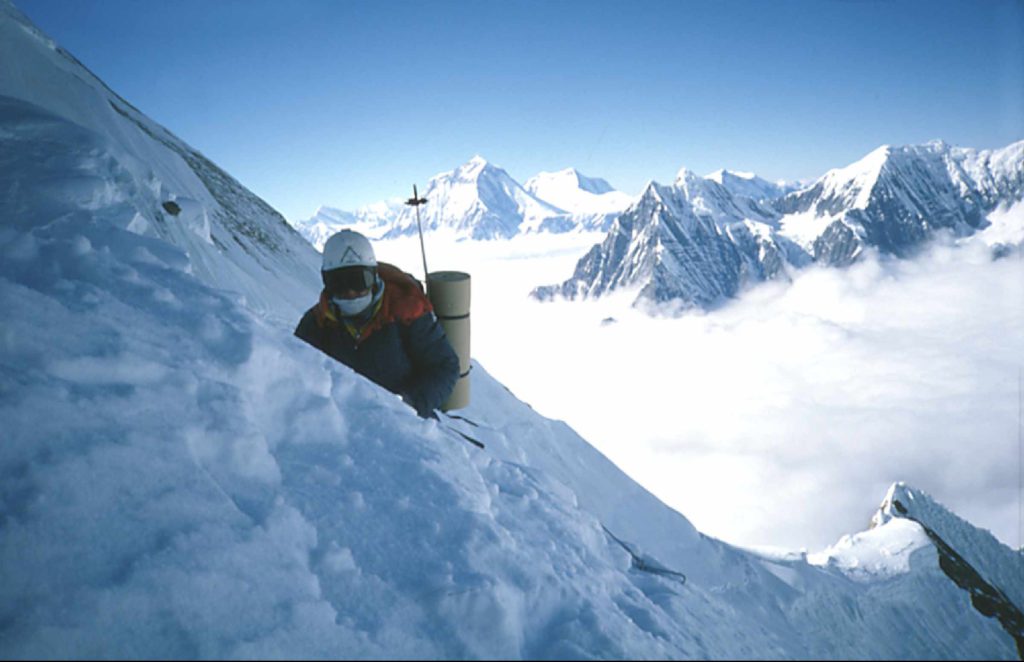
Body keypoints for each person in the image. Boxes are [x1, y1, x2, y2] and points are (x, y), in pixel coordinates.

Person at [294, 230, 459, 418]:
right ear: (326, 282)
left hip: (407, 421)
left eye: (358, 280)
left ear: (372, 277)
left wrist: (410, 403)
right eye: (338, 283)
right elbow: (296, 372)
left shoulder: (406, 309)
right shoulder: (317, 323)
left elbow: (444, 365)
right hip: (340, 422)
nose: (350, 292)